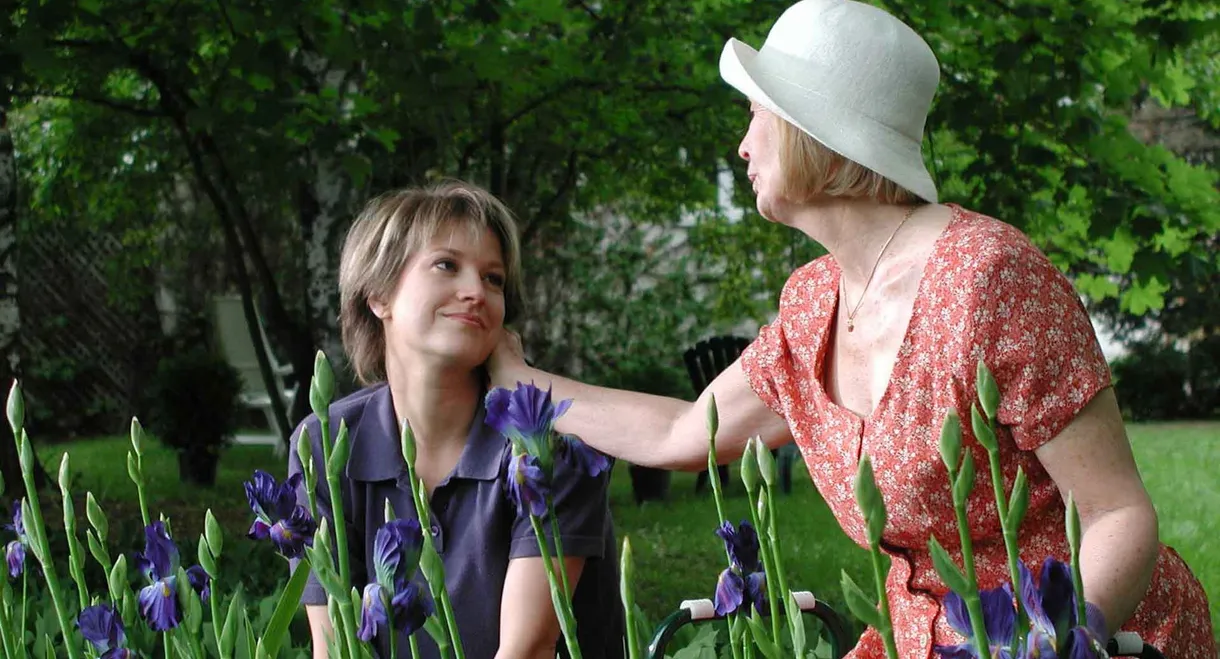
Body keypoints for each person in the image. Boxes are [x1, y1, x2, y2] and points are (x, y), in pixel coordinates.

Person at [487, 1, 1215, 657]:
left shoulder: (987, 277)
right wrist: (520, 383)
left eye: (755, 116)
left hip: (1085, 638)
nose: (742, 146)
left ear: (813, 129)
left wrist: (1059, 642)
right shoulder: (811, 304)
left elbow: (1118, 512)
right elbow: (685, 432)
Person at [288, 181, 623, 659]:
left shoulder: (547, 442)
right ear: (379, 295)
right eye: (447, 265)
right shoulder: (324, 443)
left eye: (493, 279)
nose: (475, 292)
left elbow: (527, 650)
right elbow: (335, 646)